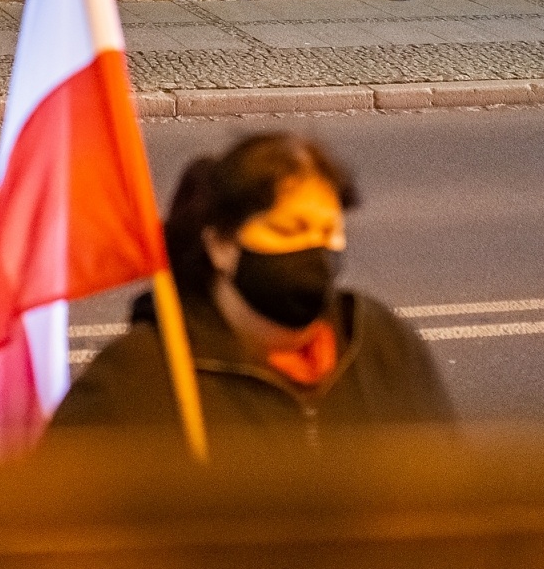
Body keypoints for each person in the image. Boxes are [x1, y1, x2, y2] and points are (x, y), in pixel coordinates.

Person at [50, 133, 454, 454]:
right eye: (289, 230)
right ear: (222, 245)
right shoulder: (138, 378)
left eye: (329, 231)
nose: (314, 249)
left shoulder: (384, 345)